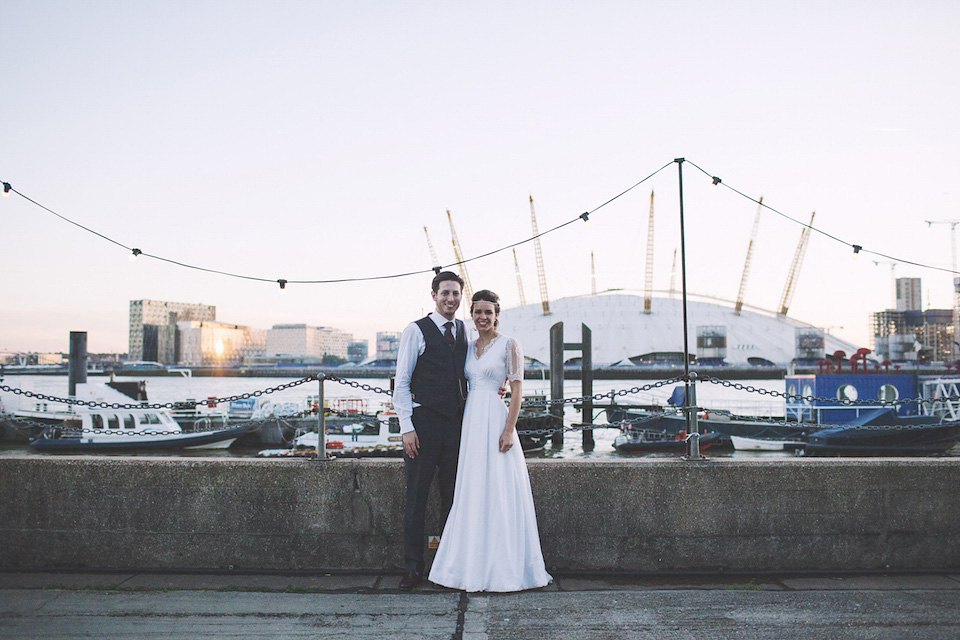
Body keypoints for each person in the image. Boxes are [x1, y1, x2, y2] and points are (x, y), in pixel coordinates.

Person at [428, 289, 552, 592]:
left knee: (500, 489)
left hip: (496, 421)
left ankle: (502, 567)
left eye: (488, 312)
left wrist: (509, 429)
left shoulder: (510, 345)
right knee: (472, 490)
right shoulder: (467, 347)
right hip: (472, 422)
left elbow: (517, 390)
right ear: (472, 314)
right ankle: (468, 566)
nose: (483, 317)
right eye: (478, 312)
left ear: (497, 315)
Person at [393, 271, 468, 590]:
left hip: (455, 424)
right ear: (434, 295)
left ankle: (446, 567)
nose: (451, 299)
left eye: (455, 294)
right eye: (445, 293)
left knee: (452, 497)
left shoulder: (464, 329)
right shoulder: (416, 330)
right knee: (417, 497)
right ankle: (413, 567)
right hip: (423, 424)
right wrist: (407, 427)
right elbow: (401, 383)